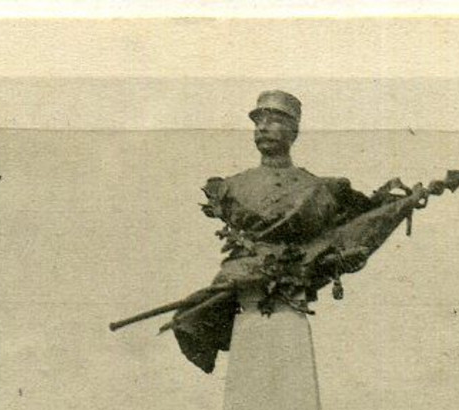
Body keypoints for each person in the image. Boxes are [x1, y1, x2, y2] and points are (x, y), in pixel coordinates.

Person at [167, 91, 409, 372]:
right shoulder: (230, 188)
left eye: (274, 120)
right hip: (245, 283)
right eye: (258, 121)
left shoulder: (321, 190)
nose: (263, 127)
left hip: (292, 295)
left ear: (294, 130)